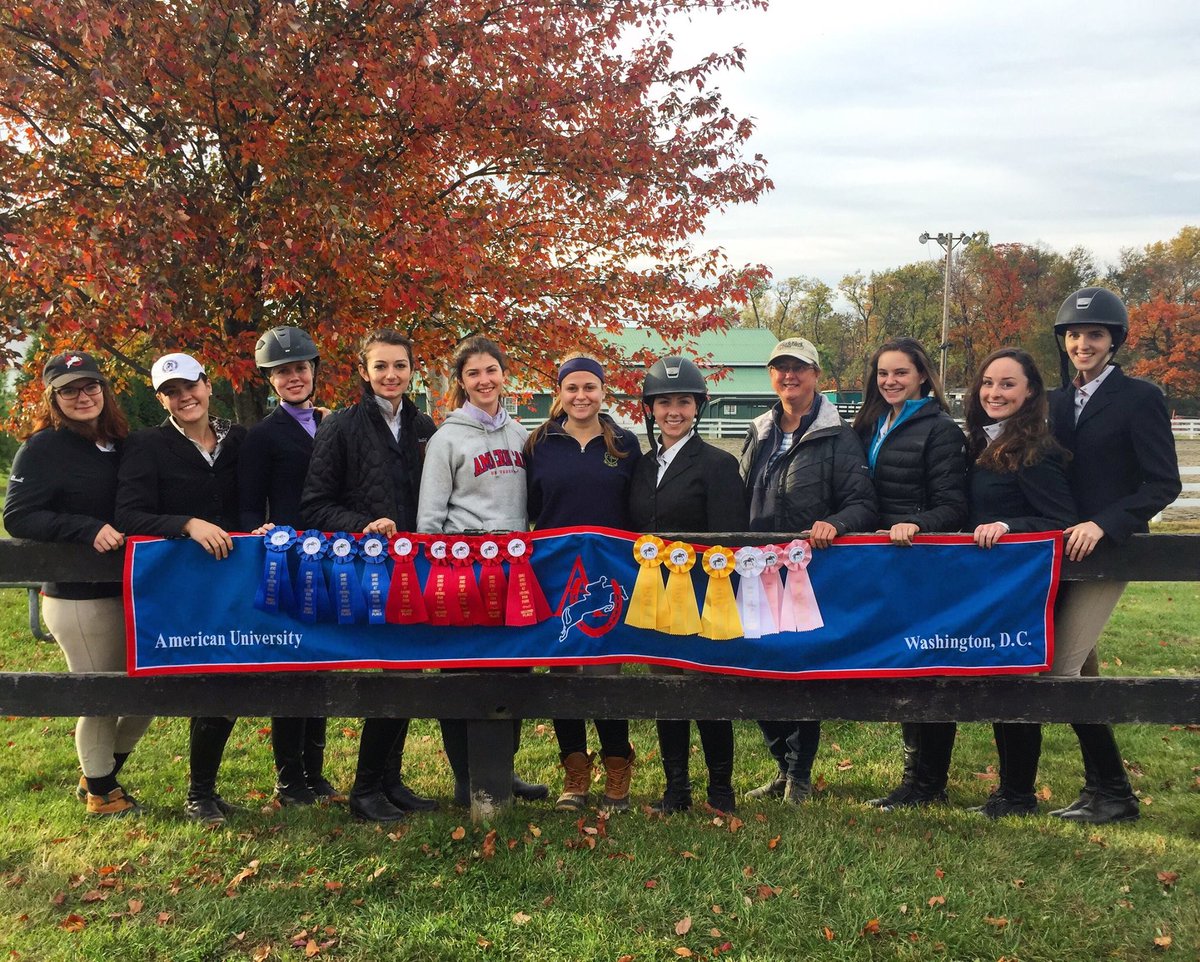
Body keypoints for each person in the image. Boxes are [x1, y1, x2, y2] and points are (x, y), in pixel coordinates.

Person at [1044, 288, 1181, 824]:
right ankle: (1110, 789)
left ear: (1113, 340)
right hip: (1058, 550)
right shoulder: (1055, 401)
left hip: (1108, 551)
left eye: (1094, 335)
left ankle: (1113, 789)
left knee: (1062, 669)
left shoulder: (1140, 397)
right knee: (1085, 675)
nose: (1083, 343)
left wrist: (1104, 523)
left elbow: (1162, 483)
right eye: (1075, 335)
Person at [4, 352, 152, 817]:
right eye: (69, 390)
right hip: (78, 597)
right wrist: (83, 528)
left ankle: (97, 775)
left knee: (146, 695)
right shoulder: (44, 448)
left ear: (105, 391)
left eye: (90, 386)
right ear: (53, 398)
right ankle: (103, 794)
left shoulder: (120, 441)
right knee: (100, 694)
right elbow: (18, 516)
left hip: (130, 588)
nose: (82, 396)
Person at [300, 329, 438, 822]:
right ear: (364, 371)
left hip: (416, 567)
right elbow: (314, 505)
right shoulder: (341, 426)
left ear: (410, 369)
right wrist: (363, 527)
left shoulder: (424, 426)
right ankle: (364, 790)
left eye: (399, 365)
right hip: (365, 570)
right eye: (381, 366)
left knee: (410, 672)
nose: (391, 375)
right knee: (397, 673)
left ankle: (390, 782)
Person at [740, 337, 876, 804]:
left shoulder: (838, 434)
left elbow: (863, 503)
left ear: (817, 375)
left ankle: (800, 774)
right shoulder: (758, 429)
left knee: (801, 671)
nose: (789, 376)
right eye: (780, 367)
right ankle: (781, 766)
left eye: (799, 367)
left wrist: (835, 523)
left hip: (806, 573)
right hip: (756, 570)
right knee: (758, 670)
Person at [115, 352, 247, 825]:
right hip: (183, 582)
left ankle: (206, 789)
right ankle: (197, 793)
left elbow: (252, 499)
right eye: (171, 392)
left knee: (232, 674)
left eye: (190, 386)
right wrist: (187, 524)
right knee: (209, 676)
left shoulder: (238, 438)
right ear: (161, 399)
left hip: (234, 577)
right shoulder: (146, 445)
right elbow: (128, 514)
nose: (184, 397)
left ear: (207, 385)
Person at [416, 336, 548, 806]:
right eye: (473, 373)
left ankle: (501, 771)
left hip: (514, 573)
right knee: (461, 675)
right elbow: (430, 519)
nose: (484, 380)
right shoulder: (446, 439)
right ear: (462, 382)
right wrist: (435, 571)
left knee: (512, 673)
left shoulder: (522, 436)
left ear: (504, 375)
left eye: (491, 370)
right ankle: (465, 776)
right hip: (460, 572)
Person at [851, 337, 967, 810]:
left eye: (900, 372)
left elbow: (954, 504)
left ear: (921, 375)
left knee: (928, 668)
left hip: (923, 561)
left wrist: (917, 523)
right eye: (883, 373)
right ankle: (912, 777)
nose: (890, 381)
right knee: (901, 665)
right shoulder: (869, 423)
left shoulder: (939, 430)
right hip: (883, 560)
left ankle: (929, 782)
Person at [627, 356, 747, 814]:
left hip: (703, 595)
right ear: (650, 409)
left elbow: (729, 538)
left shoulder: (717, 464)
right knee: (666, 691)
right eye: (663, 403)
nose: (672, 411)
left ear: (697, 406)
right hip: (655, 598)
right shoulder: (641, 466)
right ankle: (675, 788)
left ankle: (721, 790)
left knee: (705, 690)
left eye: (682, 402)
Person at [525, 354, 641, 811]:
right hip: (555, 572)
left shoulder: (624, 444)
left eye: (589, 387)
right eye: (571, 388)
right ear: (559, 392)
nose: (581, 396)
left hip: (609, 572)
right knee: (563, 669)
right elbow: (531, 508)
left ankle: (617, 763)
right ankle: (575, 768)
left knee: (604, 669)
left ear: (603, 392)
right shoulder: (538, 443)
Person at [964, 347, 1076, 818]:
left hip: (1020, 584)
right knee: (999, 677)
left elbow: (1060, 519)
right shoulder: (984, 442)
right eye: (989, 383)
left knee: (1016, 679)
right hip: (991, 583)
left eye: (1008, 384)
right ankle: (1012, 791)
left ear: (1031, 391)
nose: (995, 392)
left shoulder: (1037, 450)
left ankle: (1018, 793)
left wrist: (1011, 526)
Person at [238, 326, 340, 806]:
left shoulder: (333, 424)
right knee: (292, 667)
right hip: (288, 559)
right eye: (283, 372)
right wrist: (255, 535)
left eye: (300, 367)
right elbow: (247, 504)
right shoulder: (262, 437)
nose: (294, 377)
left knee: (320, 666)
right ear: (271, 381)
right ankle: (288, 778)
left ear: (313, 370)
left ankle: (315, 773)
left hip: (335, 559)